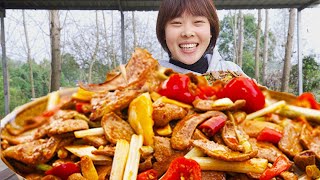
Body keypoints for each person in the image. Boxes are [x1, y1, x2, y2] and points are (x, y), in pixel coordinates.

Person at [156, 0, 245, 75]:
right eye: (177, 23)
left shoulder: (232, 73)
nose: (187, 33)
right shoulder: (151, 79)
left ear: (211, 30)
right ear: (164, 32)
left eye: (198, 22)